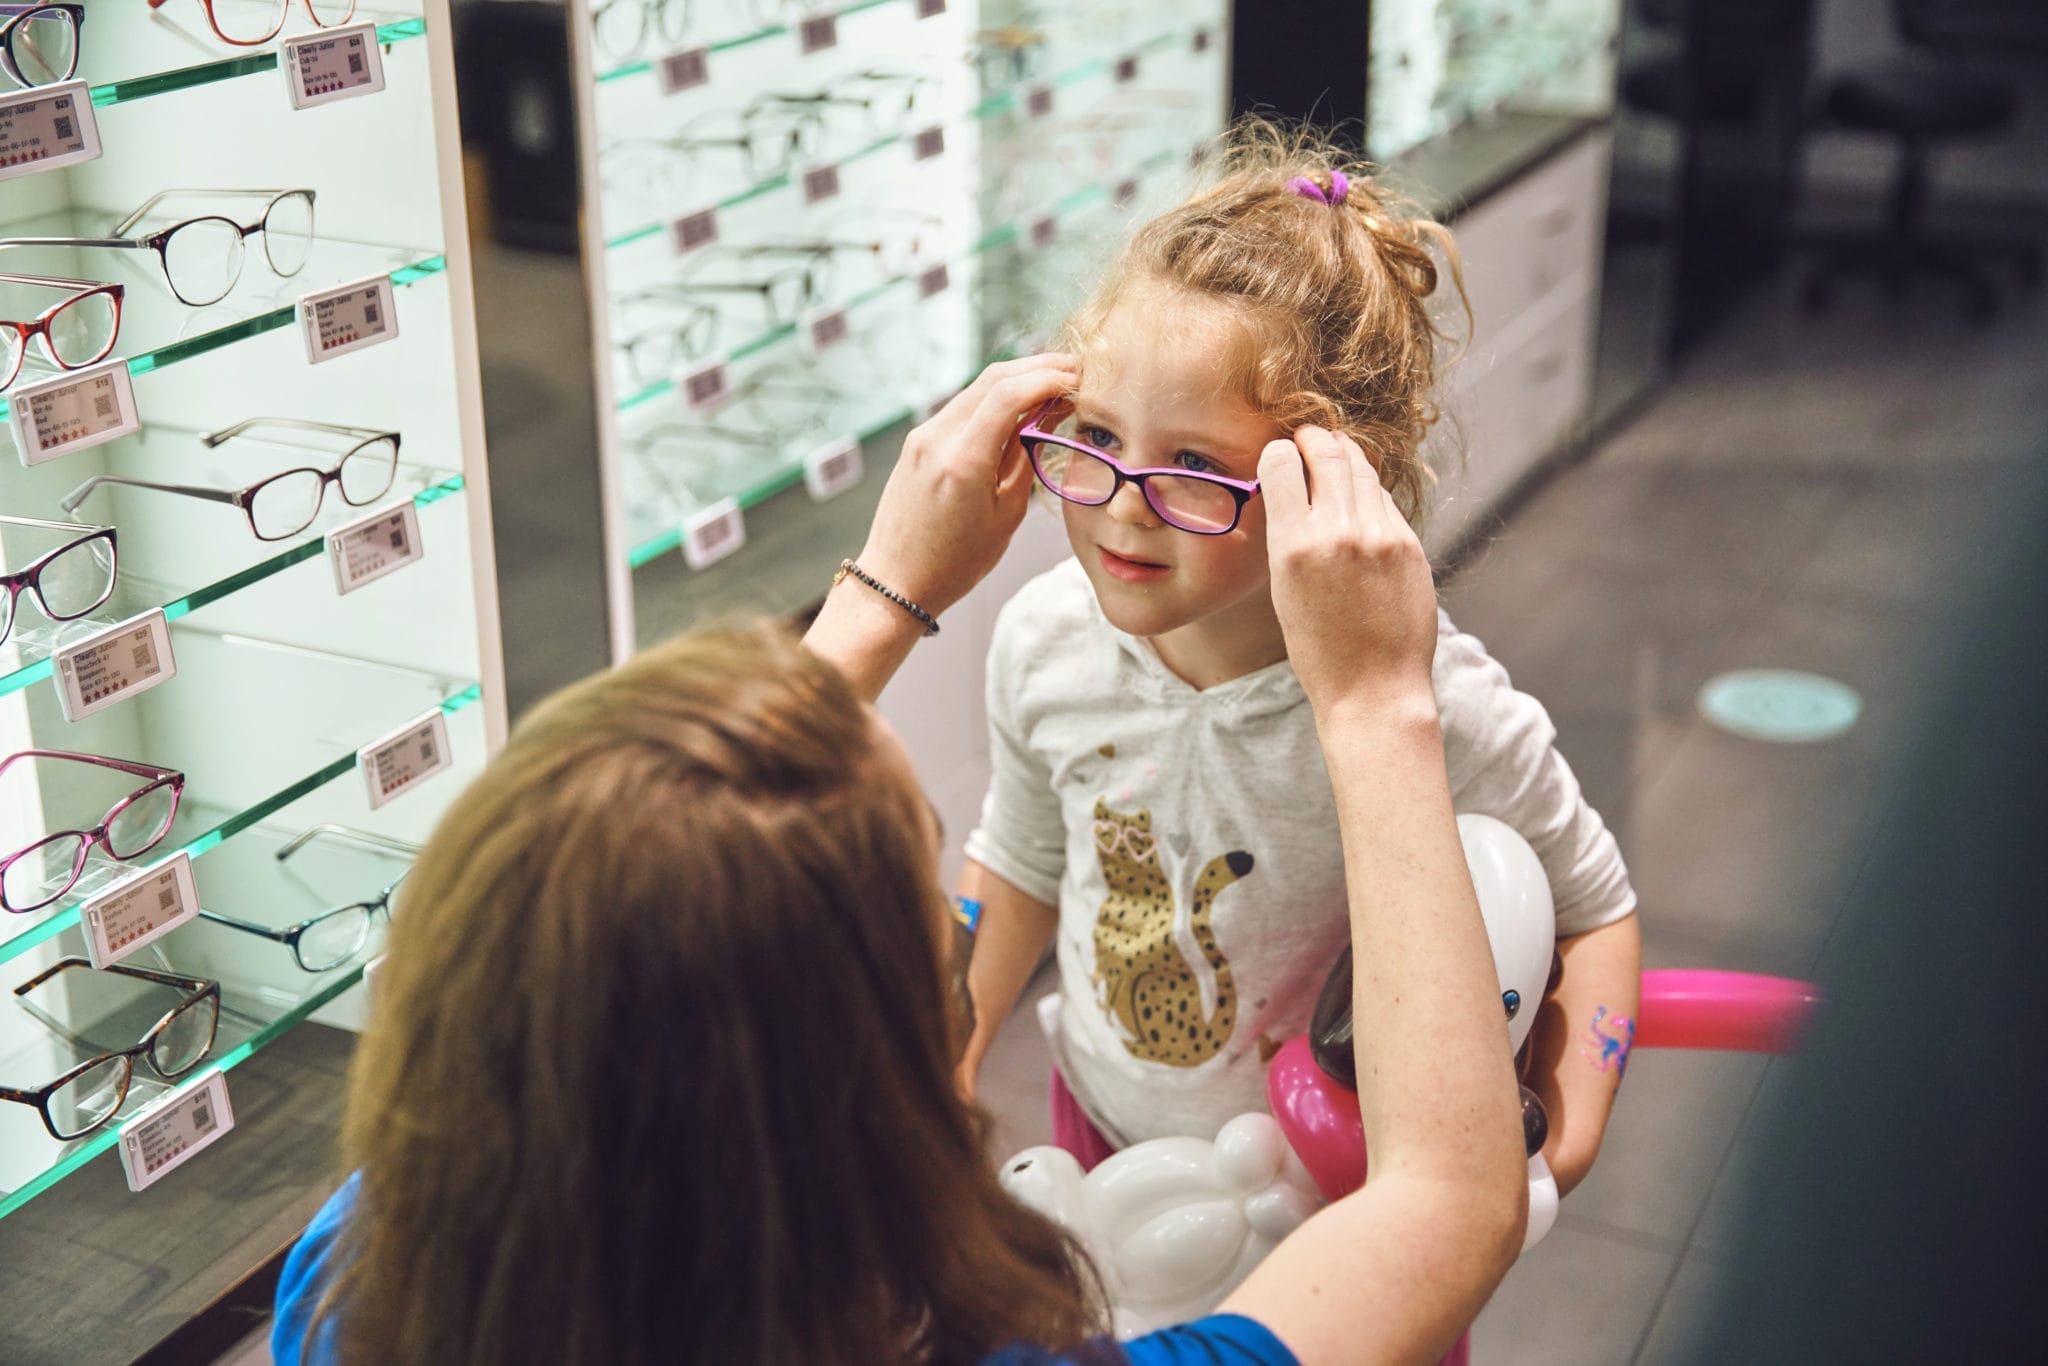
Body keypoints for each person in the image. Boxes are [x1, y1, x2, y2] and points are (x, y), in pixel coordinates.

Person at [270, 354, 1527, 1364]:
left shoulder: (355, 1279)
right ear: (862, 1118)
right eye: (946, 961)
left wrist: (880, 596)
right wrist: (1371, 706)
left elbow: (596, 913)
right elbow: (1447, 1208)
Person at [955, 120, 1642, 1197]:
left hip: (1332, 1191)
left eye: (1192, 463)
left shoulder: (1428, 709)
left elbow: (1593, 908)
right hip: (1097, 1134)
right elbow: (1021, 858)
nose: (1122, 512)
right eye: (1092, 436)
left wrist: (1568, 1132)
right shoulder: (1043, 639)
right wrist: (949, 1051)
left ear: (1332, 478)